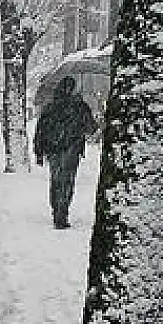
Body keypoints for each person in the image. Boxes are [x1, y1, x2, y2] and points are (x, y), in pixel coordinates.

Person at [33, 76, 97, 229]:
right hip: (72, 150)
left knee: (56, 181)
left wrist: (39, 152)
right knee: (67, 182)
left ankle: (56, 212)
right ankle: (63, 213)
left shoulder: (50, 107)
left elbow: (40, 131)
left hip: (53, 150)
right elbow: (92, 128)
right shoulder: (79, 106)